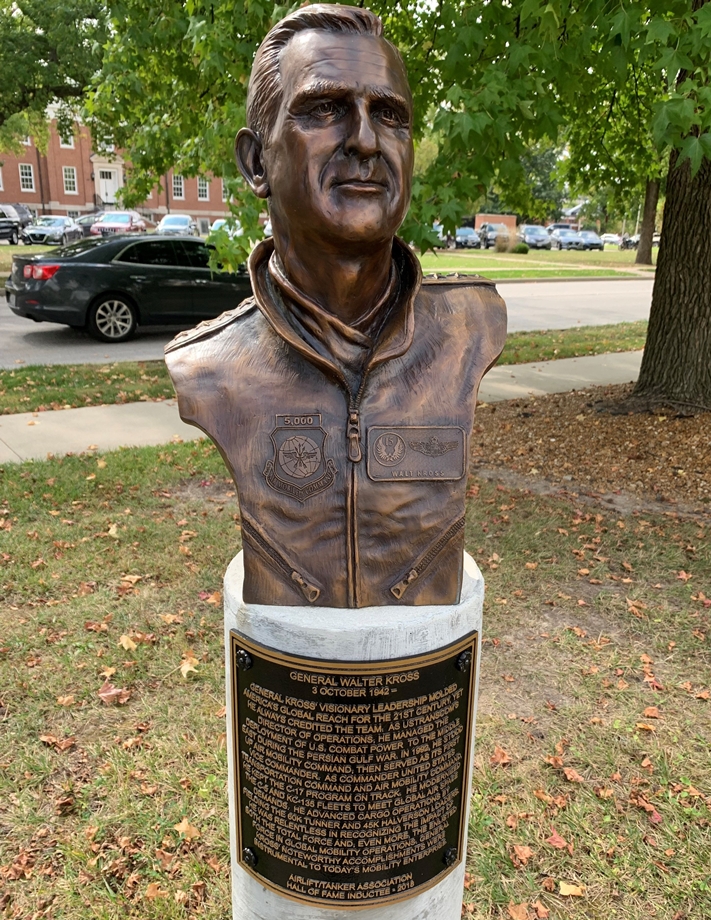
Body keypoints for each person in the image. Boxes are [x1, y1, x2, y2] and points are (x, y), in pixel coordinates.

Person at [165, 4, 506, 608]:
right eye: (324, 109)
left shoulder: (471, 327)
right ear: (255, 162)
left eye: (390, 116)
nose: (366, 140)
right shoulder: (209, 367)